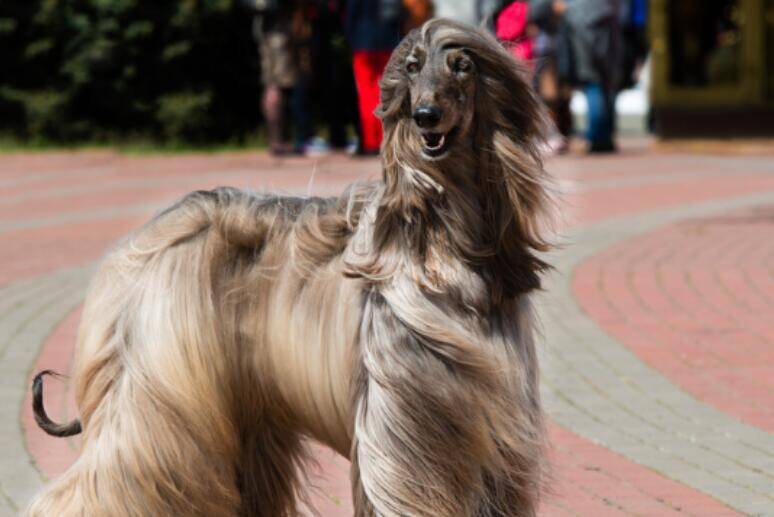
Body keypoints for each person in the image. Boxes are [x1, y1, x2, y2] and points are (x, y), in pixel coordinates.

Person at [532, 0, 622, 153]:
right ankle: (604, 137)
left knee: (593, 85)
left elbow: (537, 10)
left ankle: (596, 137)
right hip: (603, 24)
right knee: (602, 85)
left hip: (582, 28)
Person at [242, 0, 300, 155]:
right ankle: (276, 142)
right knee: (275, 86)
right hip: (276, 34)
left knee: (273, 85)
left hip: (269, 31)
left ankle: (276, 140)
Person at [346, 0, 402, 155]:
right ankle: (387, 138)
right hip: (388, 41)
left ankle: (371, 141)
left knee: (366, 93)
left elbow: (351, 16)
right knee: (385, 91)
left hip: (363, 43)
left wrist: (351, 40)